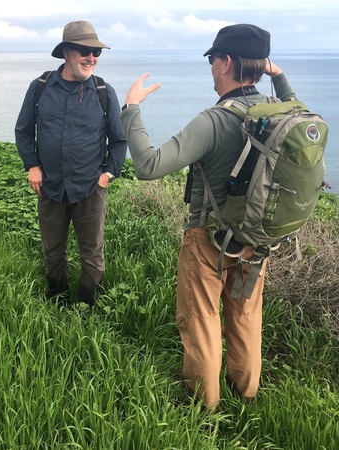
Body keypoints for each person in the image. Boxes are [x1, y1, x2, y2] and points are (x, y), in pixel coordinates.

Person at [119, 24, 297, 410]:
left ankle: (205, 408)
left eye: (213, 59)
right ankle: (246, 394)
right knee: (246, 318)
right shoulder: (282, 116)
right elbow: (296, 104)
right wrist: (278, 76)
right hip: (257, 239)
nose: (211, 67)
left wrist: (131, 109)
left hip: (208, 240)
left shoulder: (214, 120)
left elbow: (148, 166)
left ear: (226, 62)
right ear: (261, 66)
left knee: (202, 322)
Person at [15, 20, 127, 306]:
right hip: (50, 187)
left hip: (90, 188)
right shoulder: (40, 87)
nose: (91, 58)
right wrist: (33, 165)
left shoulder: (104, 92)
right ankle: (57, 303)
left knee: (92, 254)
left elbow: (118, 140)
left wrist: (108, 175)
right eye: (84, 50)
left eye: (96, 52)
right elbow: (24, 130)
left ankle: (88, 309)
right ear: (67, 52)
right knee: (53, 251)